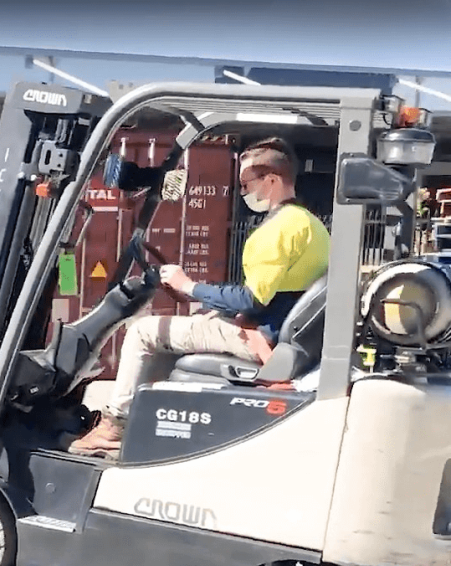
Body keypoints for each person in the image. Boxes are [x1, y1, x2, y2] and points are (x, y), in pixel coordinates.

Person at [68, 137, 331, 457]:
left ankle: (114, 427)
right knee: (185, 326)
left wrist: (190, 286)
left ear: (272, 180)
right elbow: (272, 293)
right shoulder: (312, 226)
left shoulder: (278, 231)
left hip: (264, 338)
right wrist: (198, 295)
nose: (243, 192)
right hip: (280, 331)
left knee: (143, 332)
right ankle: (145, 419)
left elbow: (251, 301)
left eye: (247, 184)